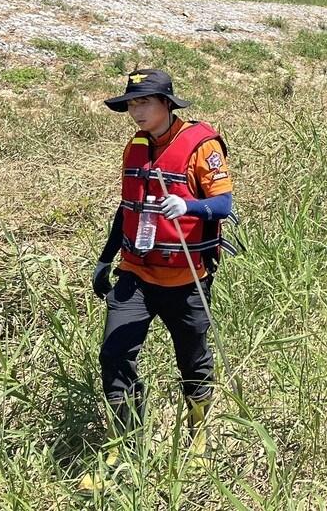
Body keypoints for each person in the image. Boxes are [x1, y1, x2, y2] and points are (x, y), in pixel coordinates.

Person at [81, 70, 233, 491]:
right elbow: (126, 205)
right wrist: (106, 256)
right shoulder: (135, 147)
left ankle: (197, 435)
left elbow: (224, 204)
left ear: (167, 102)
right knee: (114, 354)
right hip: (135, 272)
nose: (137, 111)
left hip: (186, 276)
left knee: (193, 359)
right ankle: (123, 448)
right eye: (131, 104)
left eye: (144, 102)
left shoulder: (201, 146)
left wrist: (186, 205)